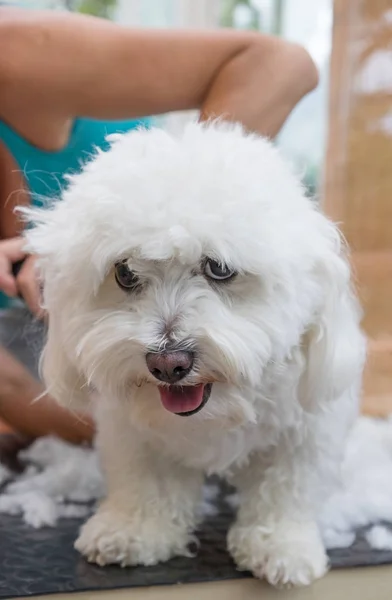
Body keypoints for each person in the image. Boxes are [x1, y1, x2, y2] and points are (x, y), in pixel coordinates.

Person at [0, 4, 318, 451]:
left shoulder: (14, 53)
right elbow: (14, 394)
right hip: (66, 354)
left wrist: (192, 201)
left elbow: (281, 65)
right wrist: (139, 440)